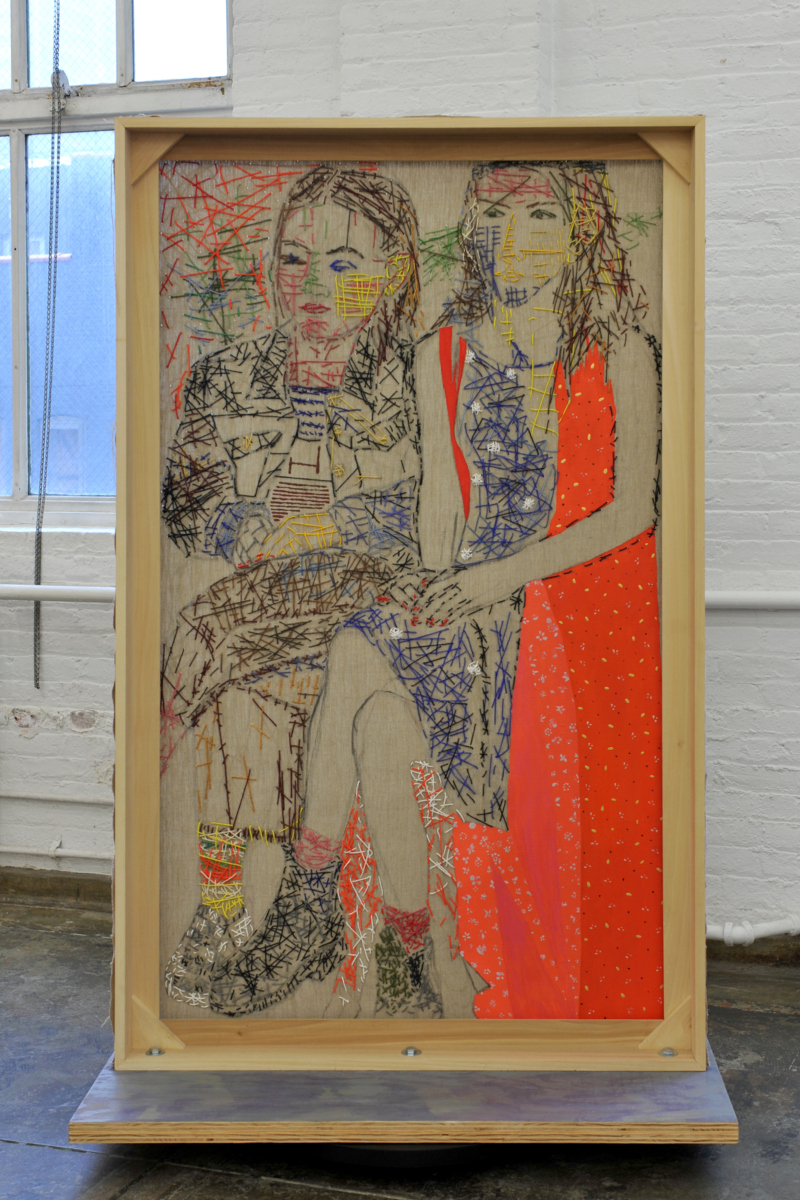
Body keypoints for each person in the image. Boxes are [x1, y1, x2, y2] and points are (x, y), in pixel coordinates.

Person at [209, 159, 662, 1019]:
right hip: (463, 599)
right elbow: (441, 513)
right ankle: (402, 961)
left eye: (539, 215)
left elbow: (633, 510)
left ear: (580, 234)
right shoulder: (443, 352)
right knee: (376, 702)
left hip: (550, 612)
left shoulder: (620, 350)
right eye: (492, 214)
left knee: (360, 665)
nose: (512, 236)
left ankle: (321, 912)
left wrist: (491, 583)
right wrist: (431, 592)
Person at [160, 165, 424, 1009]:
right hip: (264, 598)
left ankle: (280, 912)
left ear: (394, 273)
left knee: (207, 642)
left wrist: (337, 522)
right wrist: (245, 523)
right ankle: (225, 906)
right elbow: (184, 503)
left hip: (370, 605)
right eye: (294, 260)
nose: (312, 287)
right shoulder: (225, 377)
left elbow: (439, 514)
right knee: (237, 680)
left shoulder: (422, 379)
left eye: (345, 264)